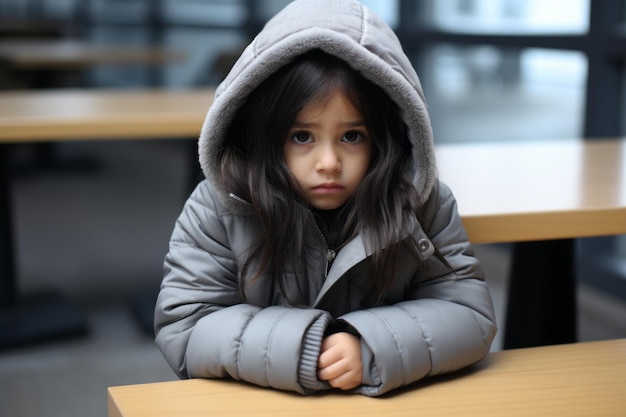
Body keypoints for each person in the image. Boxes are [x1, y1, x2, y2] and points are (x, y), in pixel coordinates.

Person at [154, 0, 497, 397]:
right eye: (303, 137)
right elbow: (187, 325)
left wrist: (371, 346)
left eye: (352, 136)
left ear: (385, 138)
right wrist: (300, 348)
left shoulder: (421, 204)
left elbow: (468, 314)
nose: (329, 163)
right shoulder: (218, 207)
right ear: (265, 135)